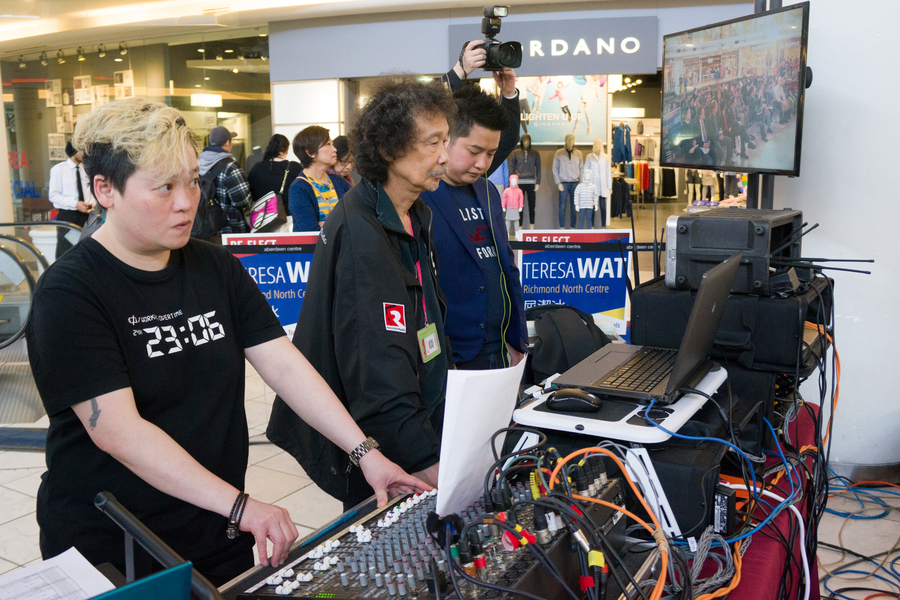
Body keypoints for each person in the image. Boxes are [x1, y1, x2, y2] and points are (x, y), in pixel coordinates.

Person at [26, 98, 427, 586]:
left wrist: (366, 454)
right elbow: (118, 431)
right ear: (105, 190)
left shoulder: (214, 267)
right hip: (115, 543)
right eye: (164, 187)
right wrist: (242, 506)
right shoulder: (71, 291)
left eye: (192, 181)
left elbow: (283, 364)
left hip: (213, 526)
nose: (186, 201)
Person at [267, 79, 456, 509]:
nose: (445, 156)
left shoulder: (415, 214)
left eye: (446, 140)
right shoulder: (361, 233)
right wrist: (430, 463)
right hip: (388, 451)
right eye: (432, 143)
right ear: (389, 149)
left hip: (420, 419)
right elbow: (375, 377)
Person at [420, 84, 527, 372]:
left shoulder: (489, 192)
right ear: (446, 139)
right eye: (474, 151)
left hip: (501, 348)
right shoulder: (419, 198)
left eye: (491, 154)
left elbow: (507, 267)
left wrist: (517, 339)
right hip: (452, 356)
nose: (482, 163)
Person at [288, 126, 351, 231]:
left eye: (333, 144)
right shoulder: (299, 188)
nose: (335, 149)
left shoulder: (339, 181)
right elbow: (310, 232)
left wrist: (324, 224)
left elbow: (355, 219)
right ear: (310, 152)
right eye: (328, 144)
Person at [198, 126, 251, 237]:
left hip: (206, 228)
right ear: (227, 143)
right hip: (229, 229)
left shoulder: (198, 164)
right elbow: (242, 201)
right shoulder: (231, 166)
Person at [48, 141, 92, 258]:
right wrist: (75, 204)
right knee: (66, 252)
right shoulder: (58, 169)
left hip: (87, 216)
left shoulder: (87, 170)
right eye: (82, 150)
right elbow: (53, 196)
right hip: (68, 216)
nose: (85, 153)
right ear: (74, 151)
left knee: (86, 251)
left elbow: (91, 192)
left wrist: (91, 204)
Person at [247, 133, 302, 216]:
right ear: (287, 149)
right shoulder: (295, 168)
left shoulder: (257, 168)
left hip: (261, 219)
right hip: (287, 218)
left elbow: (249, 192)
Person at [507, 134, 540, 229]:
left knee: (532, 205)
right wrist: (512, 182)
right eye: (524, 140)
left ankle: (532, 227)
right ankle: (520, 227)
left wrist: (538, 182)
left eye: (528, 140)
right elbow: (511, 168)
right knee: (519, 206)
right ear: (521, 141)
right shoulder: (516, 153)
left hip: (531, 182)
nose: (526, 142)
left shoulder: (535, 153)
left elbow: (538, 169)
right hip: (519, 183)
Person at [553, 134, 583, 229]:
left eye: (572, 140)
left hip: (575, 183)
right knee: (562, 207)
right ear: (565, 141)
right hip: (563, 183)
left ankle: (572, 227)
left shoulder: (578, 153)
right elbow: (554, 168)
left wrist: (581, 183)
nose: (570, 142)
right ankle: (562, 227)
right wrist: (558, 182)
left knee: (574, 207)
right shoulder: (559, 153)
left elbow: (581, 168)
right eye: (569, 140)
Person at [583, 139, 611, 228]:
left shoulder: (606, 157)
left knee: (603, 206)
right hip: (592, 185)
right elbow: (585, 171)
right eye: (596, 144)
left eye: (599, 144)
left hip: (602, 185)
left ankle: (603, 226)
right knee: (592, 207)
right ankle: (592, 226)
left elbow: (608, 172)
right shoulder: (589, 157)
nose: (597, 146)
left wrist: (609, 187)